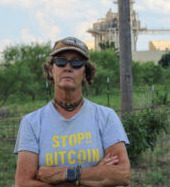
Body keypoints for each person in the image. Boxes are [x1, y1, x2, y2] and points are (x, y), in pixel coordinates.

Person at [14, 37, 130, 187]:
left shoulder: (106, 117)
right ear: (51, 70)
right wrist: (96, 174)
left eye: (76, 63)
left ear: (85, 73)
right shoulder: (32, 122)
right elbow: (23, 183)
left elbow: (122, 174)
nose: (68, 68)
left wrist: (66, 174)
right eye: (61, 62)